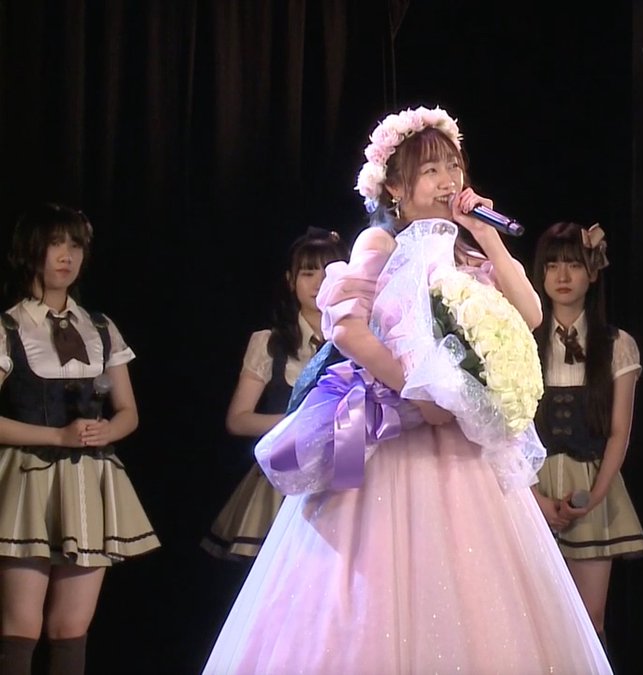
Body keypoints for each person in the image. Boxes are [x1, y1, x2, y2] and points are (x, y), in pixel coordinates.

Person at [202, 106, 610, 674]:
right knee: (365, 586)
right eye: (430, 171)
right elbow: (348, 329)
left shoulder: (469, 250)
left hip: (459, 443)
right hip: (388, 433)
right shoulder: (381, 242)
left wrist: (487, 238)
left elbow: (532, 313)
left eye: (453, 167)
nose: (447, 181)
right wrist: (418, 391)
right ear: (395, 186)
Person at [0, 203, 159, 675]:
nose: (66, 256)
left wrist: (107, 428)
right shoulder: (9, 328)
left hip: (90, 483)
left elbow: (128, 411)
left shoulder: (100, 327)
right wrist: (57, 434)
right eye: (55, 244)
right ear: (30, 251)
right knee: (21, 626)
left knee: (71, 628)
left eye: (75, 246)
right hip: (27, 482)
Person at [530, 221, 643, 656]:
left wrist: (594, 498)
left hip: (592, 487)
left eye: (574, 265)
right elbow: (508, 431)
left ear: (593, 272)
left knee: (588, 620)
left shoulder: (617, 344)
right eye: (553, 265)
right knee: (534, 619)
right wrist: (537, 500)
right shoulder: (522, 341)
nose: (562, 276)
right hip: (530, 488)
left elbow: (619, 433)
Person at [201, 228, 348, 560]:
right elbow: (238, 419)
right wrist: (298, 422)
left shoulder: (357, 342)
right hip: (282, 474)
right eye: (308, 273)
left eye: (328, 273)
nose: (318, 283)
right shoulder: (269, 343)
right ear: (290, 280)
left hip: (339, 475)